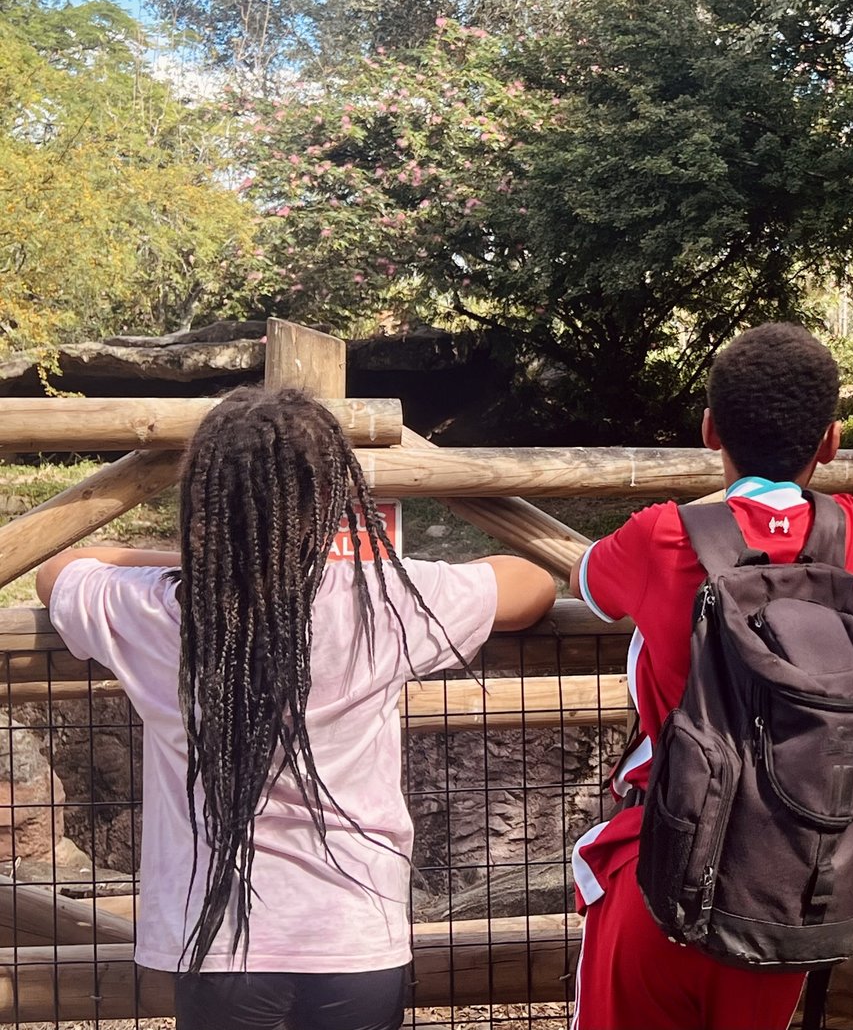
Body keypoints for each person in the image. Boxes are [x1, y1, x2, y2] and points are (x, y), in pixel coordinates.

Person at [566, 323, 853, 1030]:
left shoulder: (659, 533)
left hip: (659, 875)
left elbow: (590, 587)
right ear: (831, 442)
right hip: (788, 896)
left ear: (708, 430)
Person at [37, 387, 557, 1030]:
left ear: (202, 501)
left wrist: (217, 567)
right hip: (355, 930)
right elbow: (531, 583)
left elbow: (60, 570)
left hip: (220, 939)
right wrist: (280, 565)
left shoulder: (155, 610)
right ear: (330, 495)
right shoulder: (382, 601)